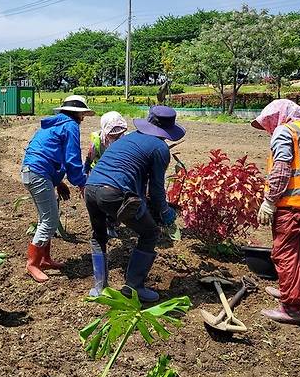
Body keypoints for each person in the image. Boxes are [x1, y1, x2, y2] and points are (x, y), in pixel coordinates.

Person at [85, 106, 184, 300]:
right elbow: (156, 189)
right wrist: (166, 213)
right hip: (113, 192)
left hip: (91, 188)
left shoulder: (129, 138)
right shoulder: (160, 148)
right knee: (150, 233)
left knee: (99, 236)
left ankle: (99, 288)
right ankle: (134, 287)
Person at [252, 99, 300, 325]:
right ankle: (291, 291)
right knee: (299, 253)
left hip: (289, 204)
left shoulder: (284, 131)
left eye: (269, 122)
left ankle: (291, 307)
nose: (268, 128)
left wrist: (269, 201)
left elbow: (282, 169)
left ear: (279, 116)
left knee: (284, 254)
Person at [21, 95, 94, 283]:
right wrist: (81, 183)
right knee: (50, 221)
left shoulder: (53, 124)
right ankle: (33, 264)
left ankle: (45, 259)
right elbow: (72, 159)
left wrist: (58, 181)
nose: (83, 118)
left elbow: (49, 153)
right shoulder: (71, 126)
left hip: (32, 171)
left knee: (45, 218)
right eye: (82, 115)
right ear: (77, 114)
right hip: (38, 173)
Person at [84, 111, 129, 239]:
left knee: (116, 200)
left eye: (119, 132)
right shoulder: (97, 141)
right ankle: (102, 227)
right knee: (101, 201)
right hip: (99, 173)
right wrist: (84, 176)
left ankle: (111, 223)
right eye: (113, 133)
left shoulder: (126, 139)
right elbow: (88, 160)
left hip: (117, 173)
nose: (116, 136)